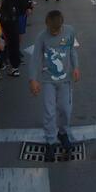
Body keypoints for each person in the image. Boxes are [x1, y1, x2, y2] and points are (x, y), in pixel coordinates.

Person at [29, 10, 80, 163]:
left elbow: (72, 50)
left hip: (65, 80)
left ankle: (63, 133)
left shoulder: (69, 31)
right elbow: (36, 58)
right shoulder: (41, 37)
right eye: (52, 30)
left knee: (65, 108)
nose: (55, 32)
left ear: (62, 25)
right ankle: (50, 141)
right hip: (48, 80)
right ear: (47, 25)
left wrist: (76, 67)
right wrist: (33, 79)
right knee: (49, 110)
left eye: (57, 30)